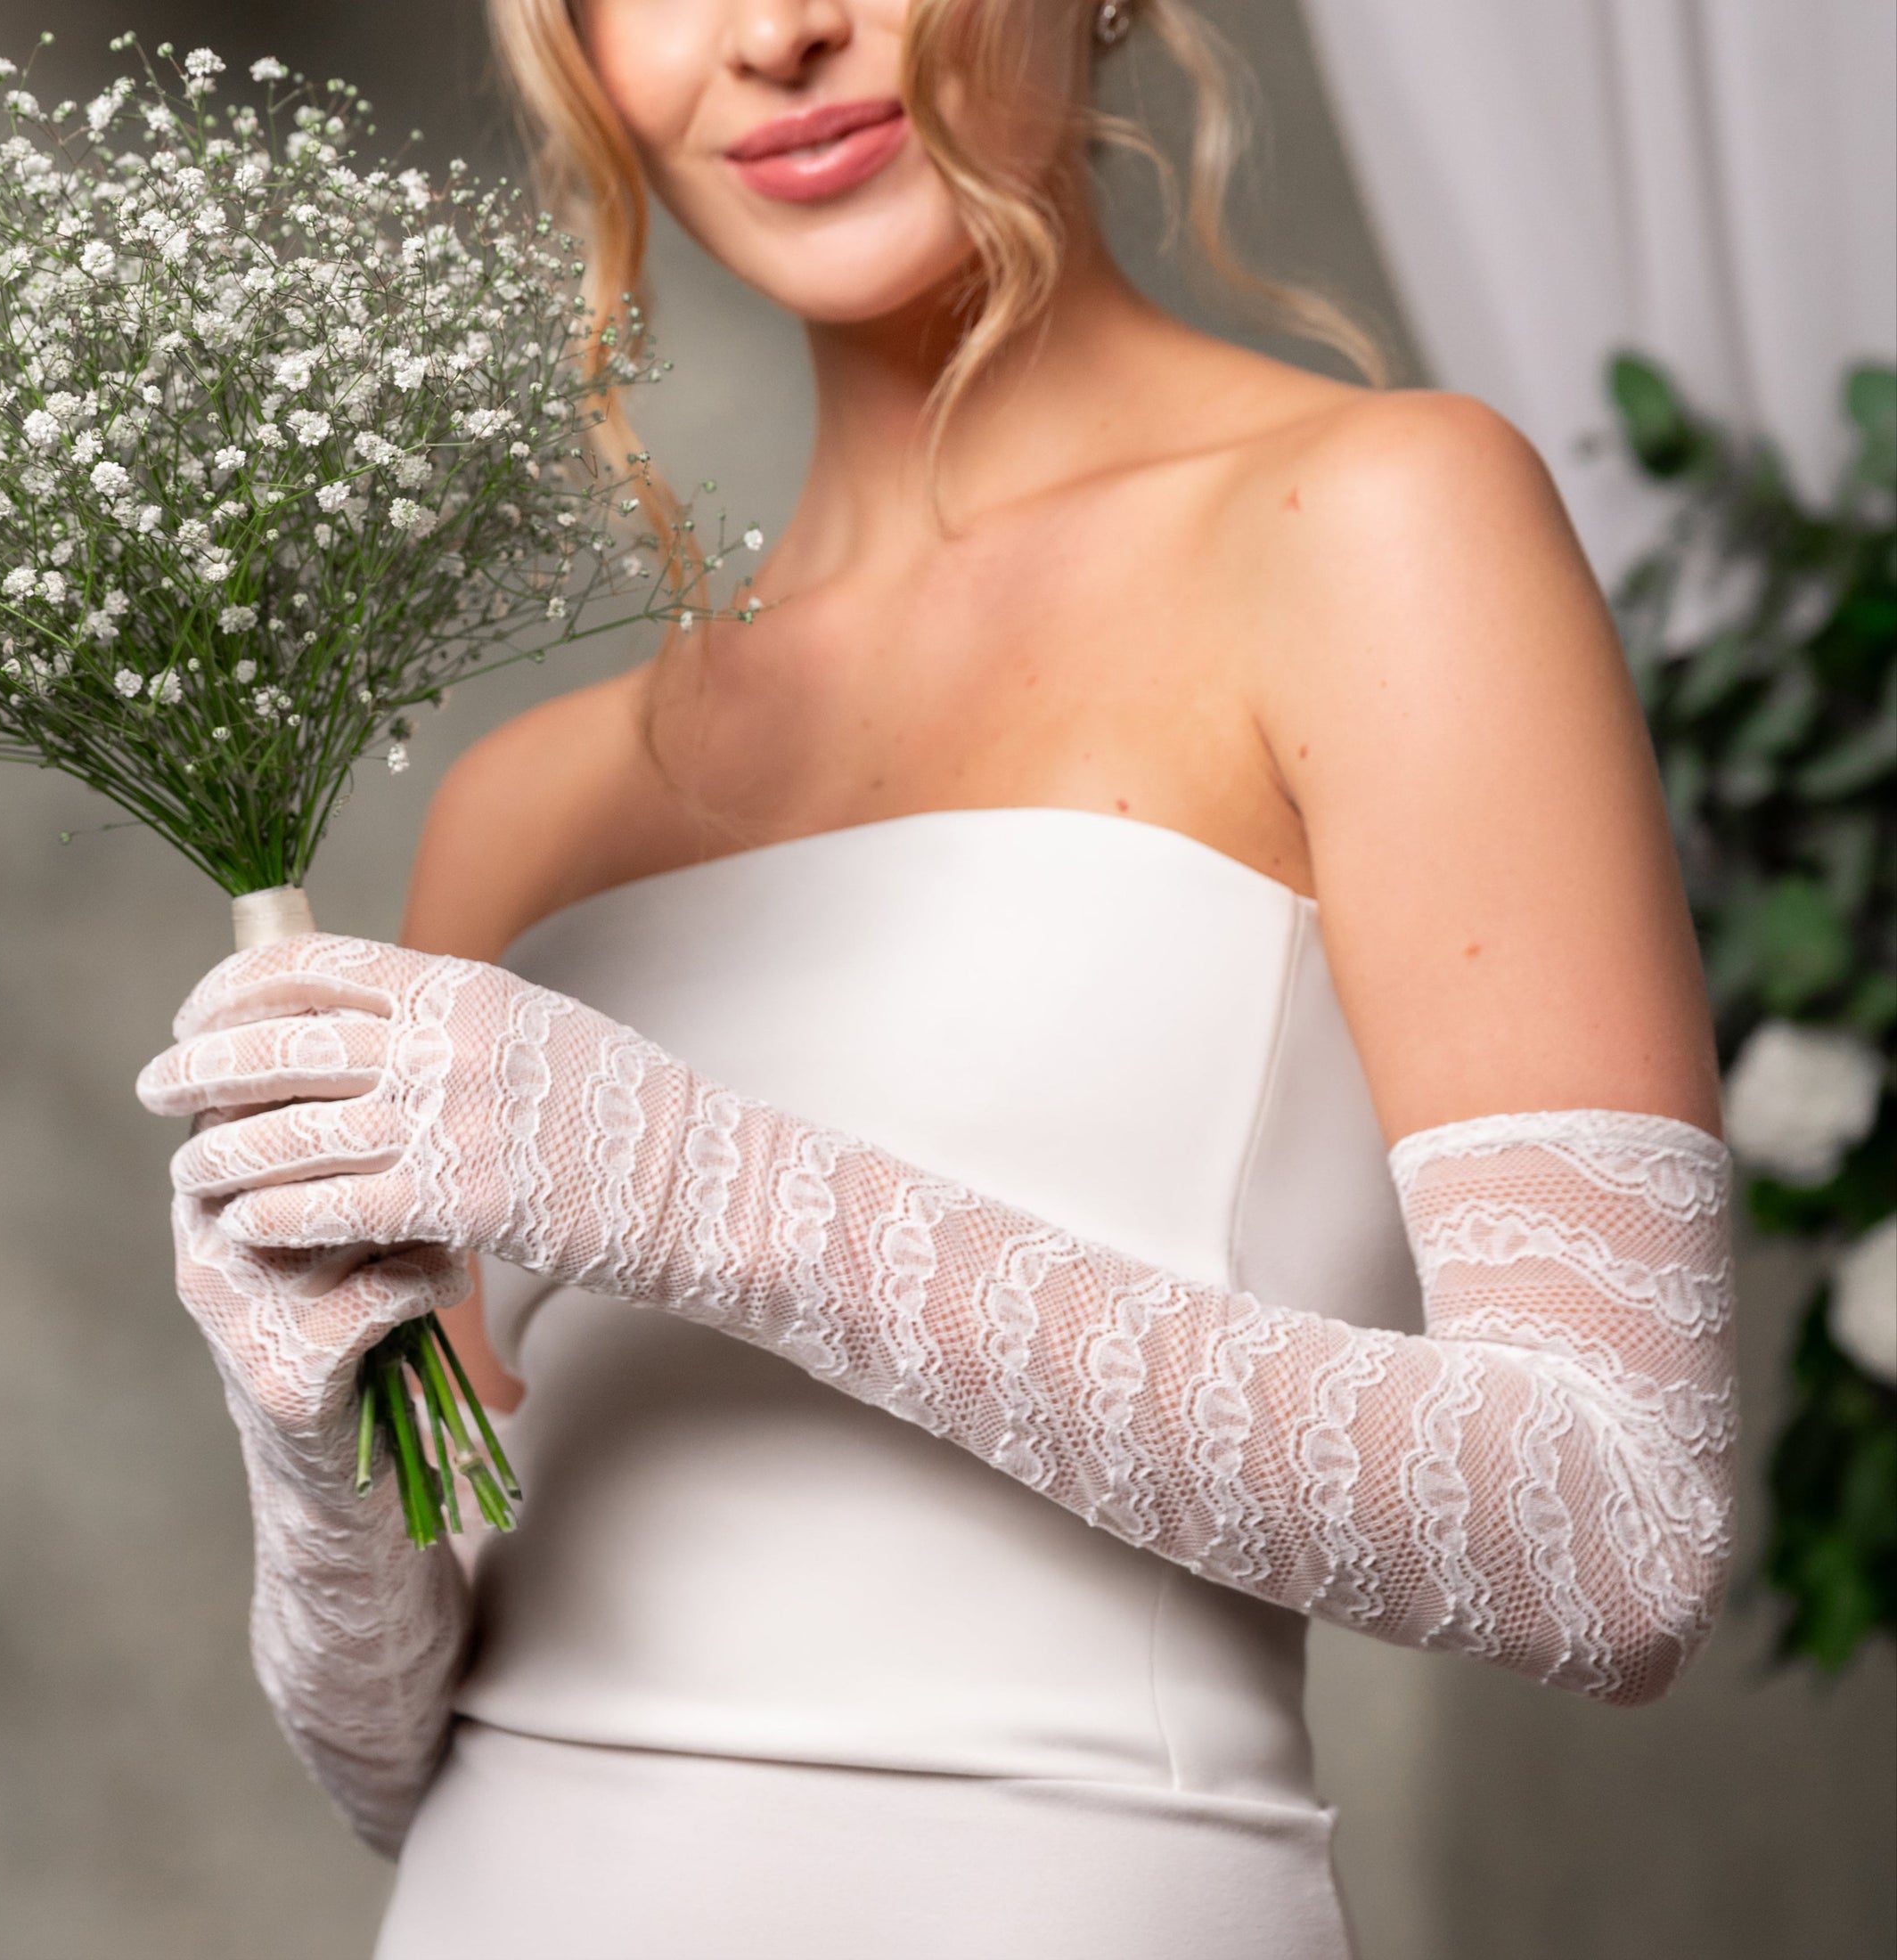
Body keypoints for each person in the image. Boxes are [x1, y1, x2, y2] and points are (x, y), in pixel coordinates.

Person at [135, 3, 1737, 1955]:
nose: (777, 32)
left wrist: (690, 1185)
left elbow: (1615, 1532)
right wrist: (306, 1445)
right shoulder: (522, 808)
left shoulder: (1379, 526)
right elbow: (400, 1752)